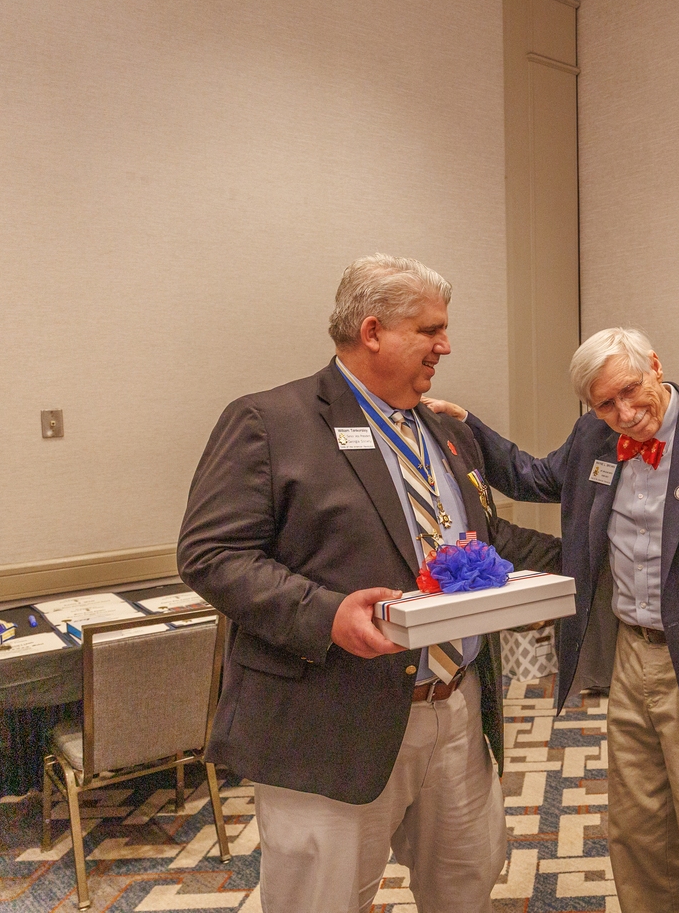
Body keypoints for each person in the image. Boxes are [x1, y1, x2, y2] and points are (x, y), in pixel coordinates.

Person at [178, 254, 560, 913]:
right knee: (320, 901)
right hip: (331, 719)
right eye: (430, 330)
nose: (445, 345)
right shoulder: (270, 422)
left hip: (457, 708)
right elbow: (211, 554)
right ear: (373, 330)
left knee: (467, 884)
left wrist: (599, 556)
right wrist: (326, 615)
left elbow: (485, 539)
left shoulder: (445, 430)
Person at [427, 326, 679, 913]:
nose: (626, 414)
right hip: (631, 657)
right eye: (605, 404)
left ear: (655, 365)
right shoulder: (596, 436)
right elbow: (534, 477)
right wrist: (467, 425)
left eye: (631, 391)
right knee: (639, 836)